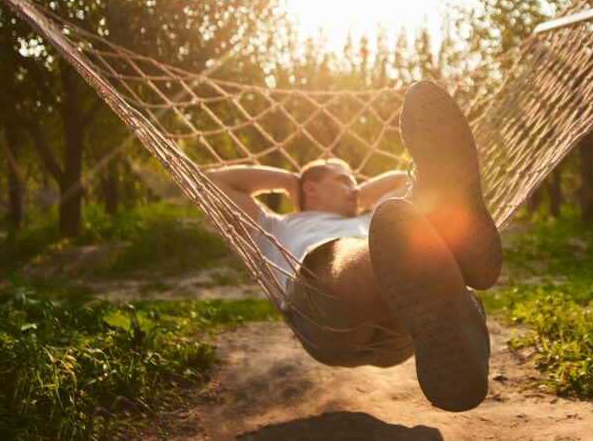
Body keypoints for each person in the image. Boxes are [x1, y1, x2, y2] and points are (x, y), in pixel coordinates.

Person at [205, 81, 502, 412]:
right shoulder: (274, 224)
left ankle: (446, 286)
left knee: (407, 219)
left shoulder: (381, 216)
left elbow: (403, 182)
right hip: (323, 318)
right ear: (312, 188)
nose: (354, 187)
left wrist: (359, 195)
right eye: (344, 179)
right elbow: (212, 183)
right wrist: (291, 181)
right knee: (346, 247)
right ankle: (450, 274)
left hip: (410, 326)